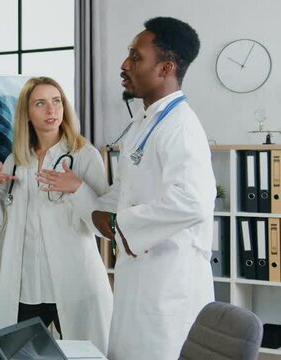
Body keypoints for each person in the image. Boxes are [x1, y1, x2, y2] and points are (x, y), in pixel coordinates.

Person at [43, 17, 214, 360]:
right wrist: (79, 192)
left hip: (168, 290)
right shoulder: (143, 123)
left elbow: (193, 202)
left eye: (136, 57)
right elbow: (121, 194)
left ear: (166, 68)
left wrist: (122, 226)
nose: (124, 65)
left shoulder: (181, 127)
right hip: (137, 283)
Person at [0, 77, 112, 353]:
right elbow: (1, 222)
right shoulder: (17, 160)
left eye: (56, 101)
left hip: (74, 282)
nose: (51, 110)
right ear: (27, 114)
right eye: (41, 103)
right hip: (27, 285)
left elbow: (102, 225)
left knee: (88, 354)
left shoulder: (84, 155)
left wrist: (78, 188)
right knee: (13, 354)